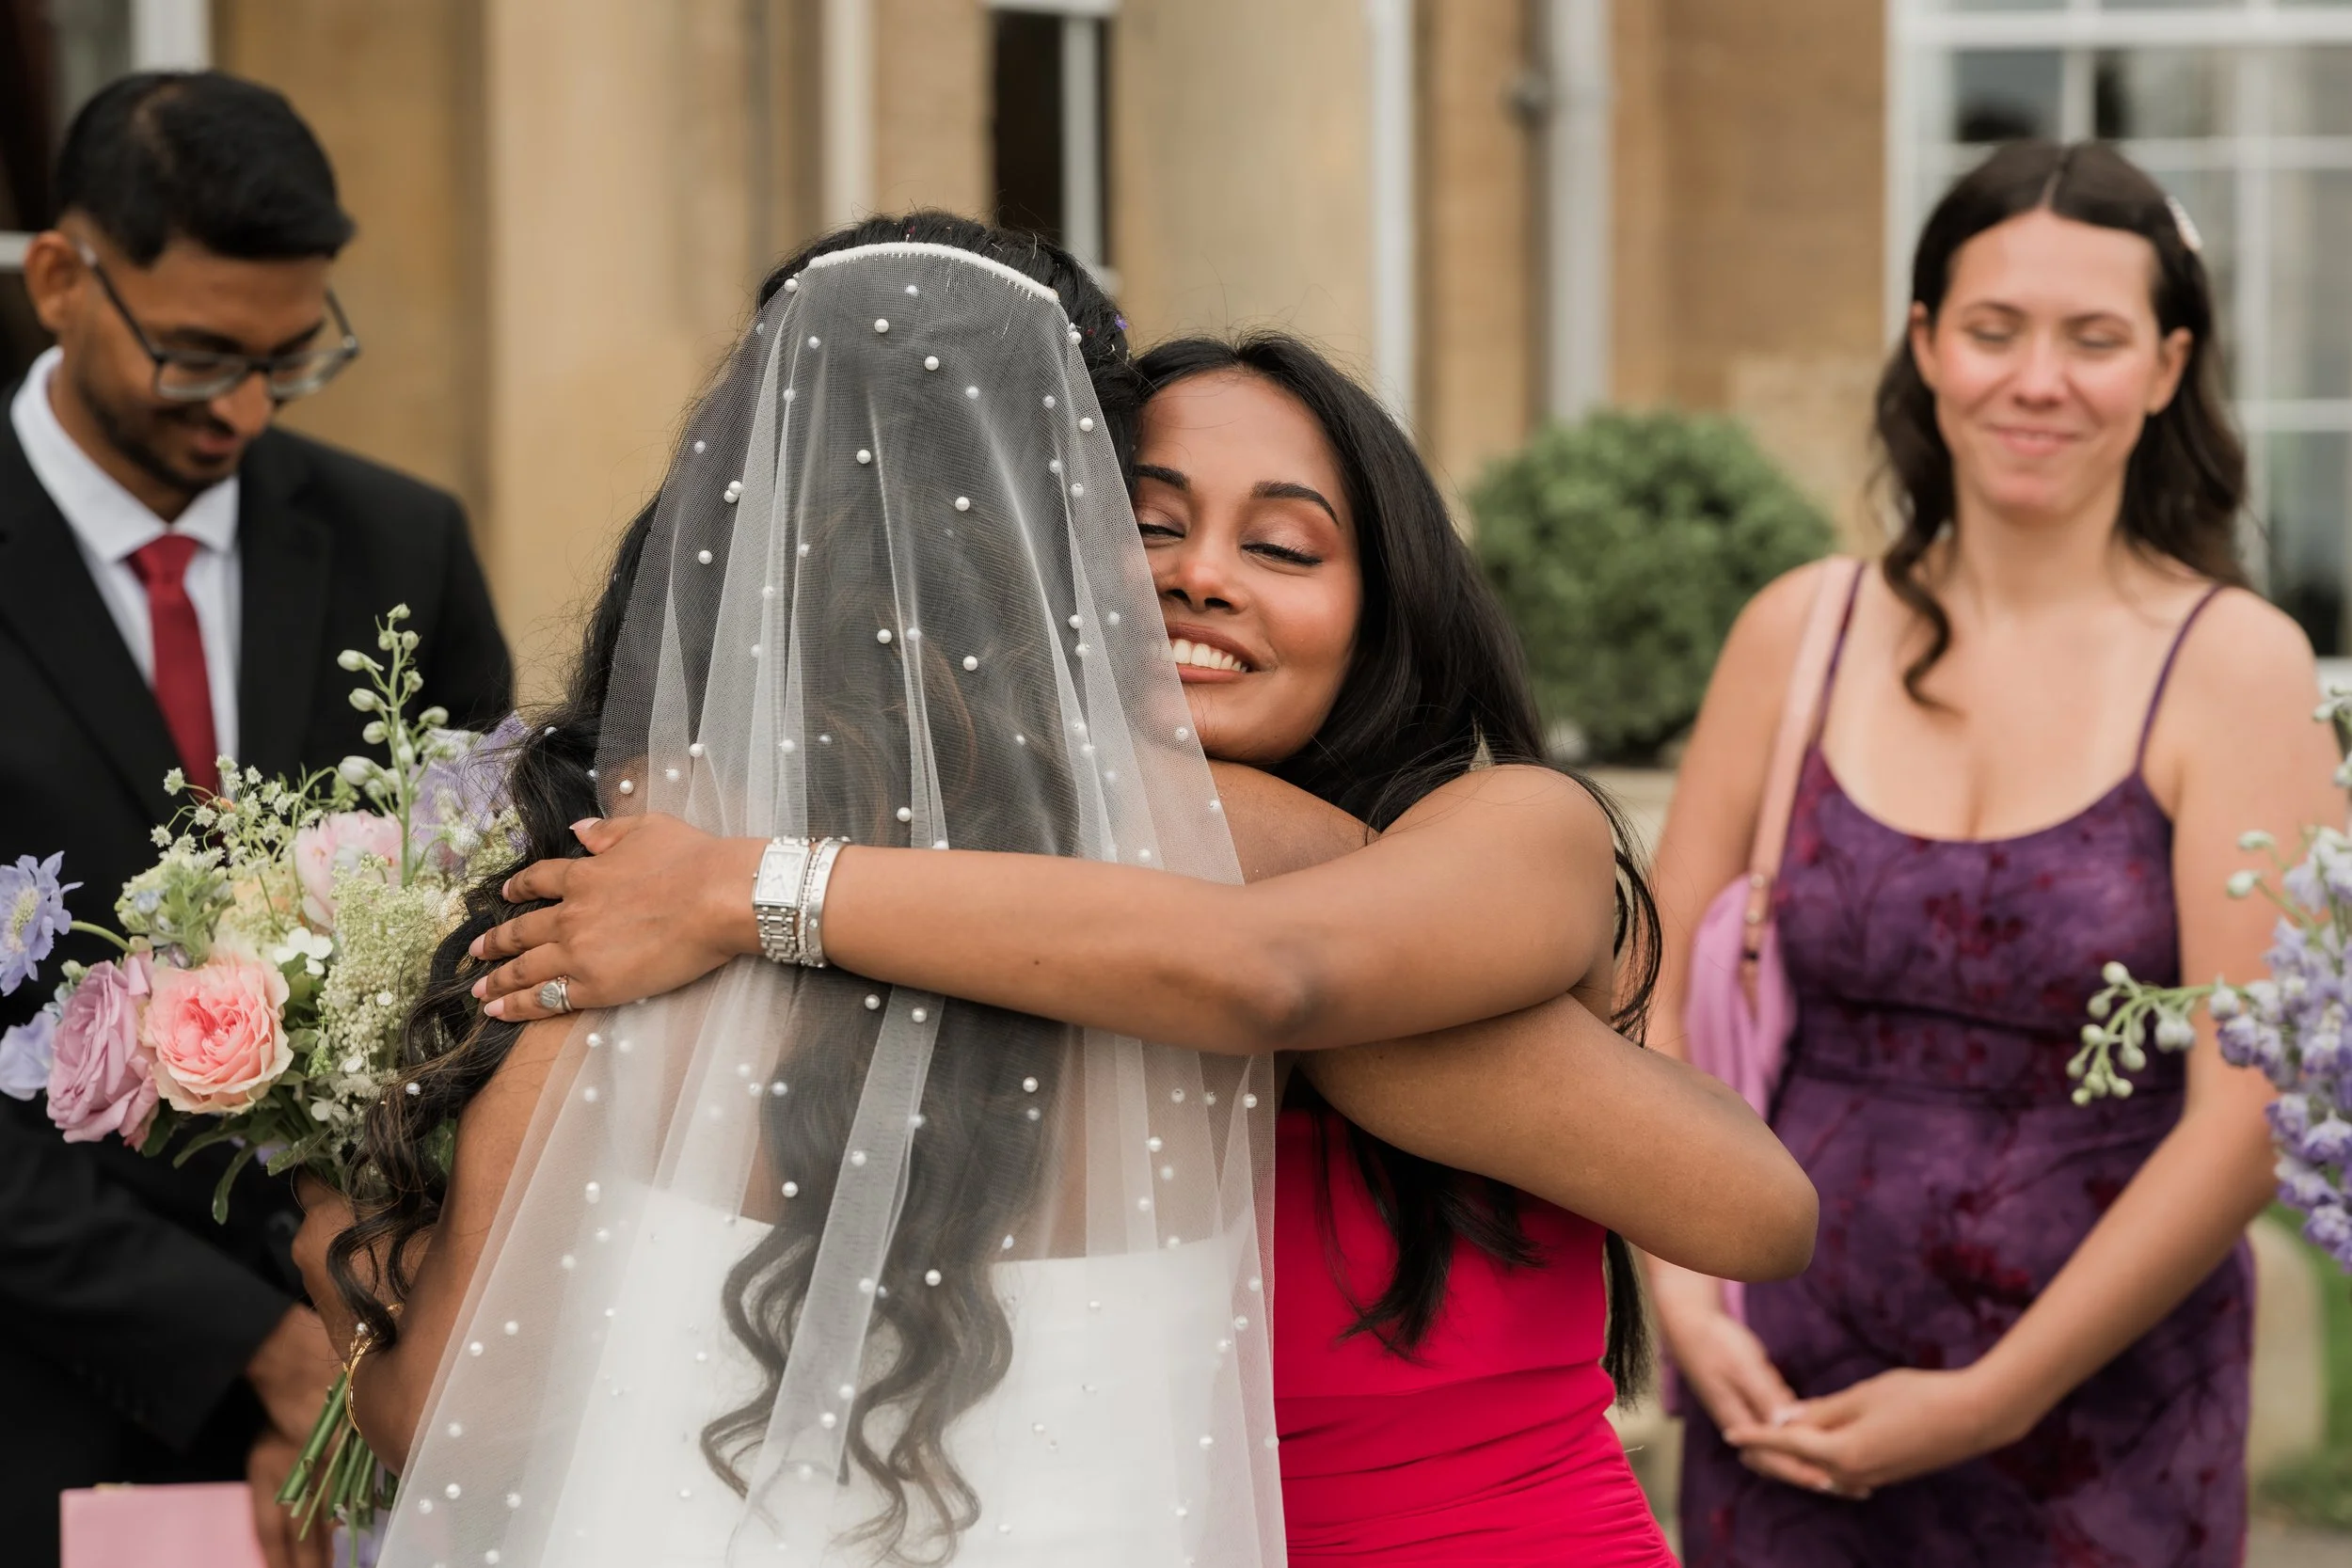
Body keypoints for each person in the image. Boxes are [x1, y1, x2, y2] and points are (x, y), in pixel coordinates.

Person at [336, 215, 1812, 1564]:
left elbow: (1747, 1206)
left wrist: (746, 883)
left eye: (1284, 544)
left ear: (1390, 600)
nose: (1196, 579)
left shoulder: (1502, 838)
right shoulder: (892, 924)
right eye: (1143, 525)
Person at [1645, 139, 2343, 1564]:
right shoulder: (1800, 631)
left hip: (2105, 1414)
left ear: (2164, 367)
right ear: (1925, 345)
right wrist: (1681, 1301)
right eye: (1993, 329)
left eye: (2094, 337)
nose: (2038, 379)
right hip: (1776, 1371)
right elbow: (1644, 994)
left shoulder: (2238, 667)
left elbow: (2247, 1106)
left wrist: (1988, 1399)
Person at [0, 71, 510, 1568]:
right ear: (59, 279)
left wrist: (359, 1331)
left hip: (386, 1387)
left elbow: (479, 957)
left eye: (289, 362)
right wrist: (252, 1345)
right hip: (34, 1399)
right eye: (196, 356)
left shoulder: (400, 542)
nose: (238, 409)